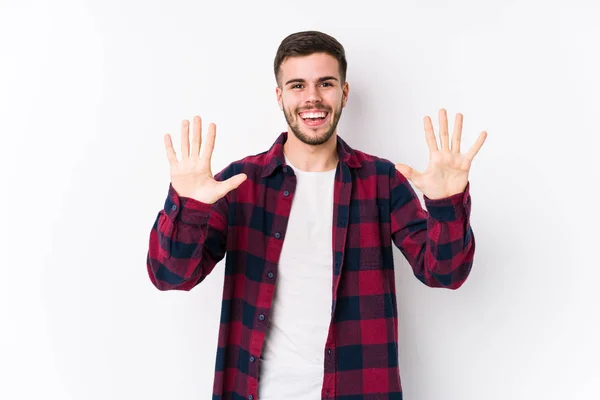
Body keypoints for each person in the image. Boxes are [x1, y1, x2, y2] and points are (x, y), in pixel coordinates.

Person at [147, 30, 487, 400]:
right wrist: (189, 207)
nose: (312, 97)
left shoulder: (382, 181)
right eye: (297, 85)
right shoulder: (239, 183)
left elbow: (446, 273)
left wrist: (447, 204)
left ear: (344, 92)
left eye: (325, 83)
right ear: (279, 96)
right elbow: (170, 276)